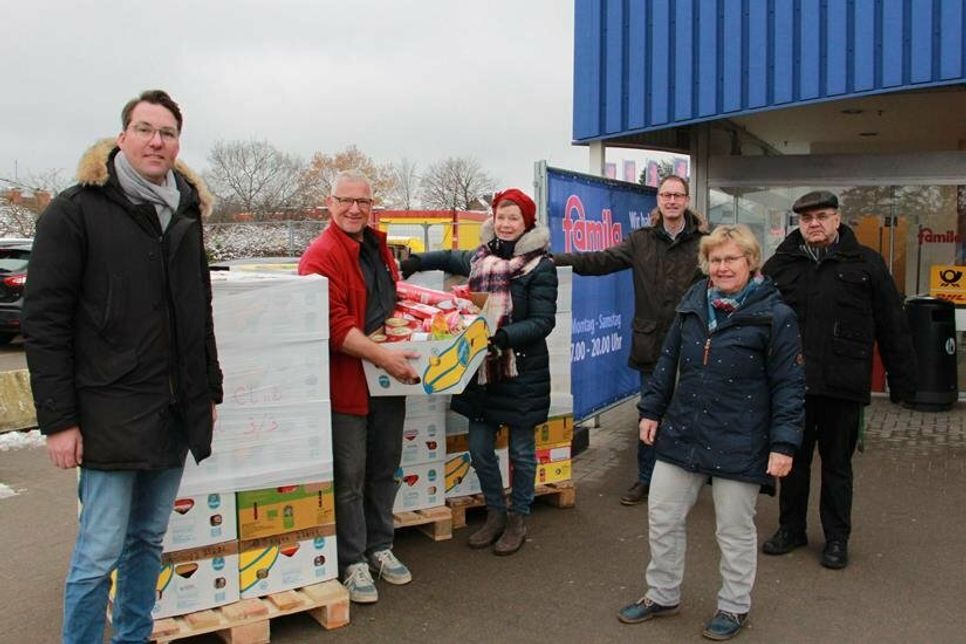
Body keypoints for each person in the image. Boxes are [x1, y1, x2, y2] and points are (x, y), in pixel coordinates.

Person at [22, 90, 222, 643]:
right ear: (122, 137)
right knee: (97, 554)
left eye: (167, 132)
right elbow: (45, 323)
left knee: (147, 543)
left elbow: (197, 310)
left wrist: (208, 391)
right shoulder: (75, 211)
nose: (156, 141)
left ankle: (134, 637)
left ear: (178, 143)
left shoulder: (184, 211)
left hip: (171, 412)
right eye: (144, 128)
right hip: (107, 412)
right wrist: (59, 420)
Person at [617, 224, 804, 641]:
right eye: (715, 260)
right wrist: (651, 411)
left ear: (750, 261)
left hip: (742, 436)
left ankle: (734, 606)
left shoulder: (776, 316)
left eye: (730, 259)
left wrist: (783, 443)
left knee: (733, 530)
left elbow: (790, 385)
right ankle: (662, 593)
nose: (721, 267)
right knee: (662, 517)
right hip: (683, 430)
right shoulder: (694, 302)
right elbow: (667, 361)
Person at [761, 190, 916, 570]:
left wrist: (904, 383)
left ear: (837, 218)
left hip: (842, 385)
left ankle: (836, 538)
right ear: (799, 223)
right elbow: (755, 322)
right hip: (792, 385)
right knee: (792, 462)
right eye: (807, 218)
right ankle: (791, 529)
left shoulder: (866, 263)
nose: (815, 224)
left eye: (822, 216)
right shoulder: (779, 265)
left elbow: (892, 326)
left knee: (837, 466)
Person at [401, 188, 557, 555]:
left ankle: (519, 518)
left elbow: (543, 321)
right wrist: (415, 261)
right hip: (480, 371)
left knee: (521, 452)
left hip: (520, 370)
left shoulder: (540, 267)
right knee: (479, 448)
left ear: (527, 223)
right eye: (501, 217)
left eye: (513, 218)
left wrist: (500, 336)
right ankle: (495, 512)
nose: (505, 224)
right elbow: (450, 257)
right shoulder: (480, 258)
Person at [298, 170, 420, 603]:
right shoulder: (321, 255)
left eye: (363, 202)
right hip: (347, 384)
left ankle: (380, 546)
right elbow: (333, 327)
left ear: (372, 206)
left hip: (386, 382)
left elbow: (392, 302)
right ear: (329, 204)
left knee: (384, 467)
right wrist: (384, 355)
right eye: (345, 201)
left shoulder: (377, 248)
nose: (354, 209)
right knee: (349, 476)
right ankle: (351, 559)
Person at [553, 175, 707, 505]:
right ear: (658, 200)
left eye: (678, 195)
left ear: (687, 200)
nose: (672, 201)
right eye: (666, 195)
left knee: (691, 412)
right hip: (651, 344)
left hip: (692, 343)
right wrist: (557, 260)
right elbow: (600, 260)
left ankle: (691, 477)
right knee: (650, 413)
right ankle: (646, 479)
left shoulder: (705, 242)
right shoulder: (640, 240)